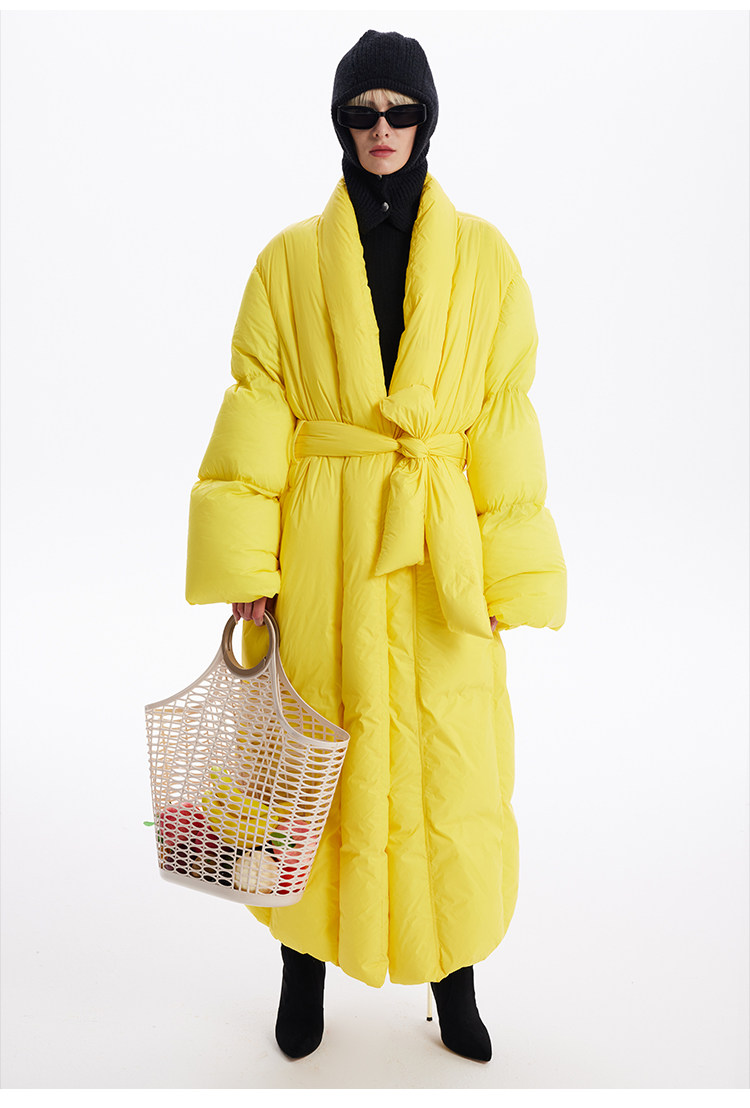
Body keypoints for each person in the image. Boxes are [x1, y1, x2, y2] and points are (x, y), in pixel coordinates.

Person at [186, 29, 567, 1063]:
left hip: (438, 552)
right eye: (363, 112)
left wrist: (508, 570)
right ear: (340, 123)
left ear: (427, 119)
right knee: (307, 756)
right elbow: (257, 413)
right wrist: (250, 571)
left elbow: (504, 421)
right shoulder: (287, 263)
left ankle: (456, 978)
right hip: (327, 547)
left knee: (452, 764)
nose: (382, 128)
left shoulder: (486, 260)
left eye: (401, 111)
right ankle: (301, 967)